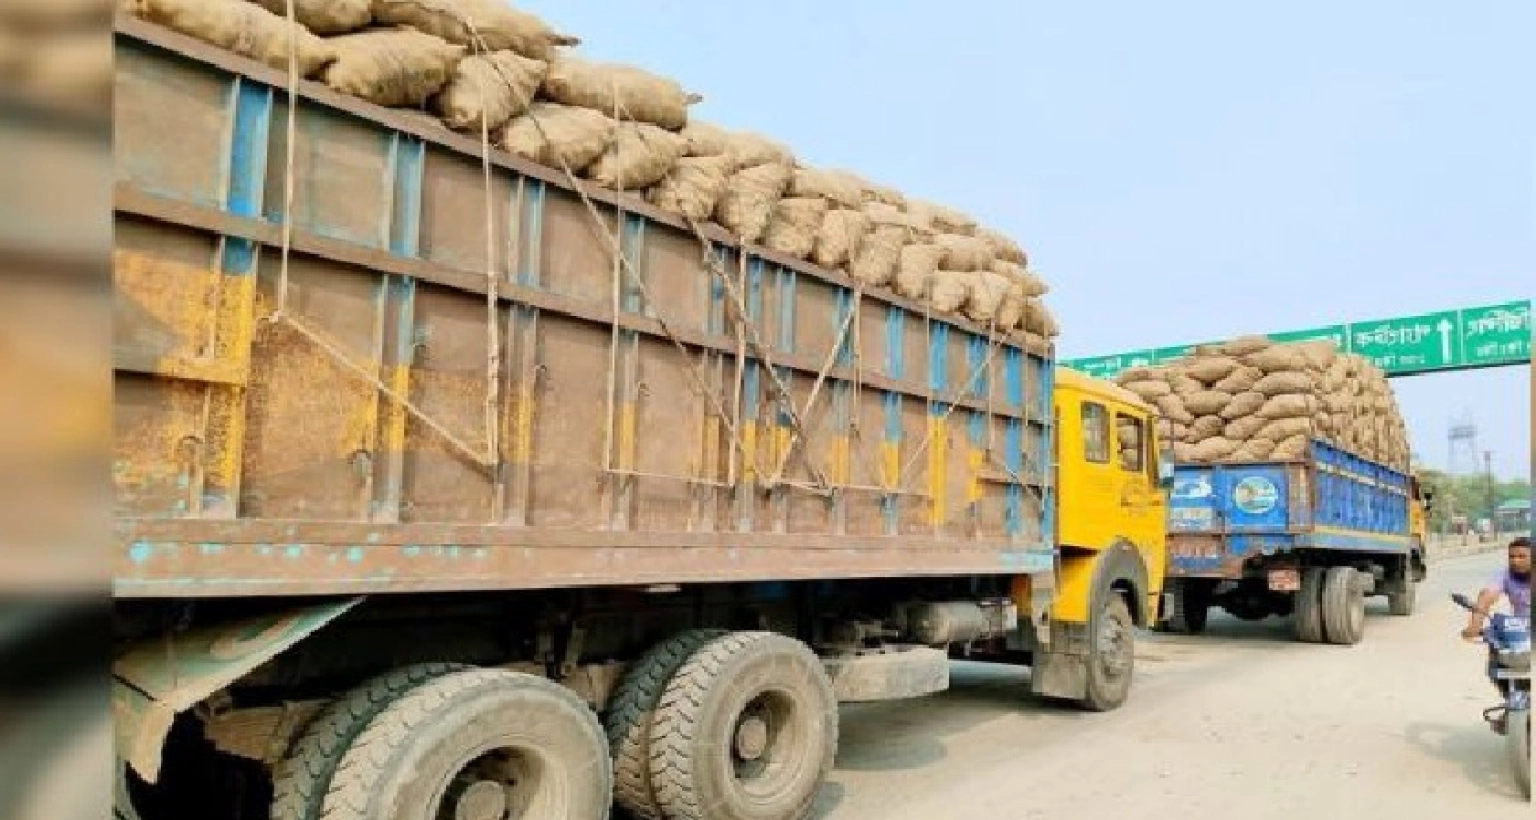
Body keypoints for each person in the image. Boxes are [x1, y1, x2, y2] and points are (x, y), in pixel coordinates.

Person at [1461, 536, 1531, 715]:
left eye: (1522, 556)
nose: (1515, 561)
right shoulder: (1505, 574)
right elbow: (1487, 596)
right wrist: (1474, 627)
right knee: (1497, 654)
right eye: (1512, 556)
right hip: (1521, 629)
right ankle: (1510, 701)